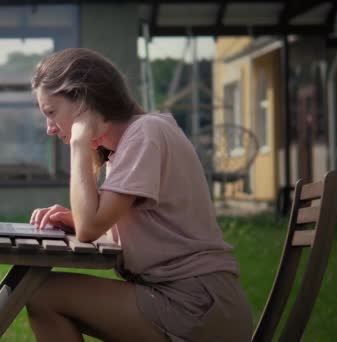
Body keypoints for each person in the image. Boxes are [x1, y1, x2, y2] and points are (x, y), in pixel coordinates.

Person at [26, 48, 253, 342]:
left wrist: (80, 142)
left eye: (51, 112)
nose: (49, 128)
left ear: (82, 99)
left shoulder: (145, 134)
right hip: (189, 300)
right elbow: (116, 225)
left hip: (196, 305)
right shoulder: (128, 145)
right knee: (41, 292)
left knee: (42, 294)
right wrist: (75, 218)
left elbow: (88, 228)